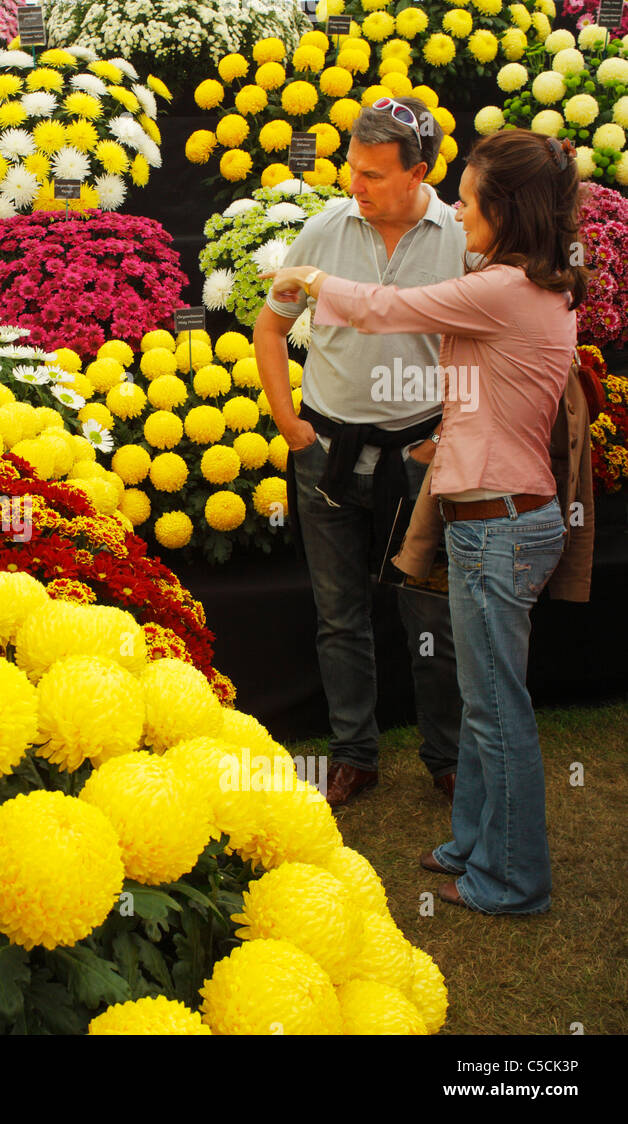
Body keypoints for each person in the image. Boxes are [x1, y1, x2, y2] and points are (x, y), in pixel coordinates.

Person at [266, 128, 591, 915]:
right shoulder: (527, 283)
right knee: (486, 706)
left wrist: (309, 276)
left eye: (470, 198)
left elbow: (388, 309)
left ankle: (512, 882)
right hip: (503, 517)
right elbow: (489, 383)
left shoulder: (501, 288)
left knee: (496, 712)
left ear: (503, 209)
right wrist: (452, 438)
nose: (457, 209)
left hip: (498, 528)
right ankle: (472, 846)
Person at [254, 96, 463, 807]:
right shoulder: (323, 229)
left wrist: (447, 436)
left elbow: (482, 349)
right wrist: (289, 422)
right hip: (327, 450)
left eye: (373, 174)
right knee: (339, 613)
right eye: (352, 168)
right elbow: (270, 326)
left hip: (420, 454)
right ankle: (354, 754)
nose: (355, 184)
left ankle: (447, 756)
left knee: (429, 617)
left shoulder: (460, 240)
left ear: (420, 173)